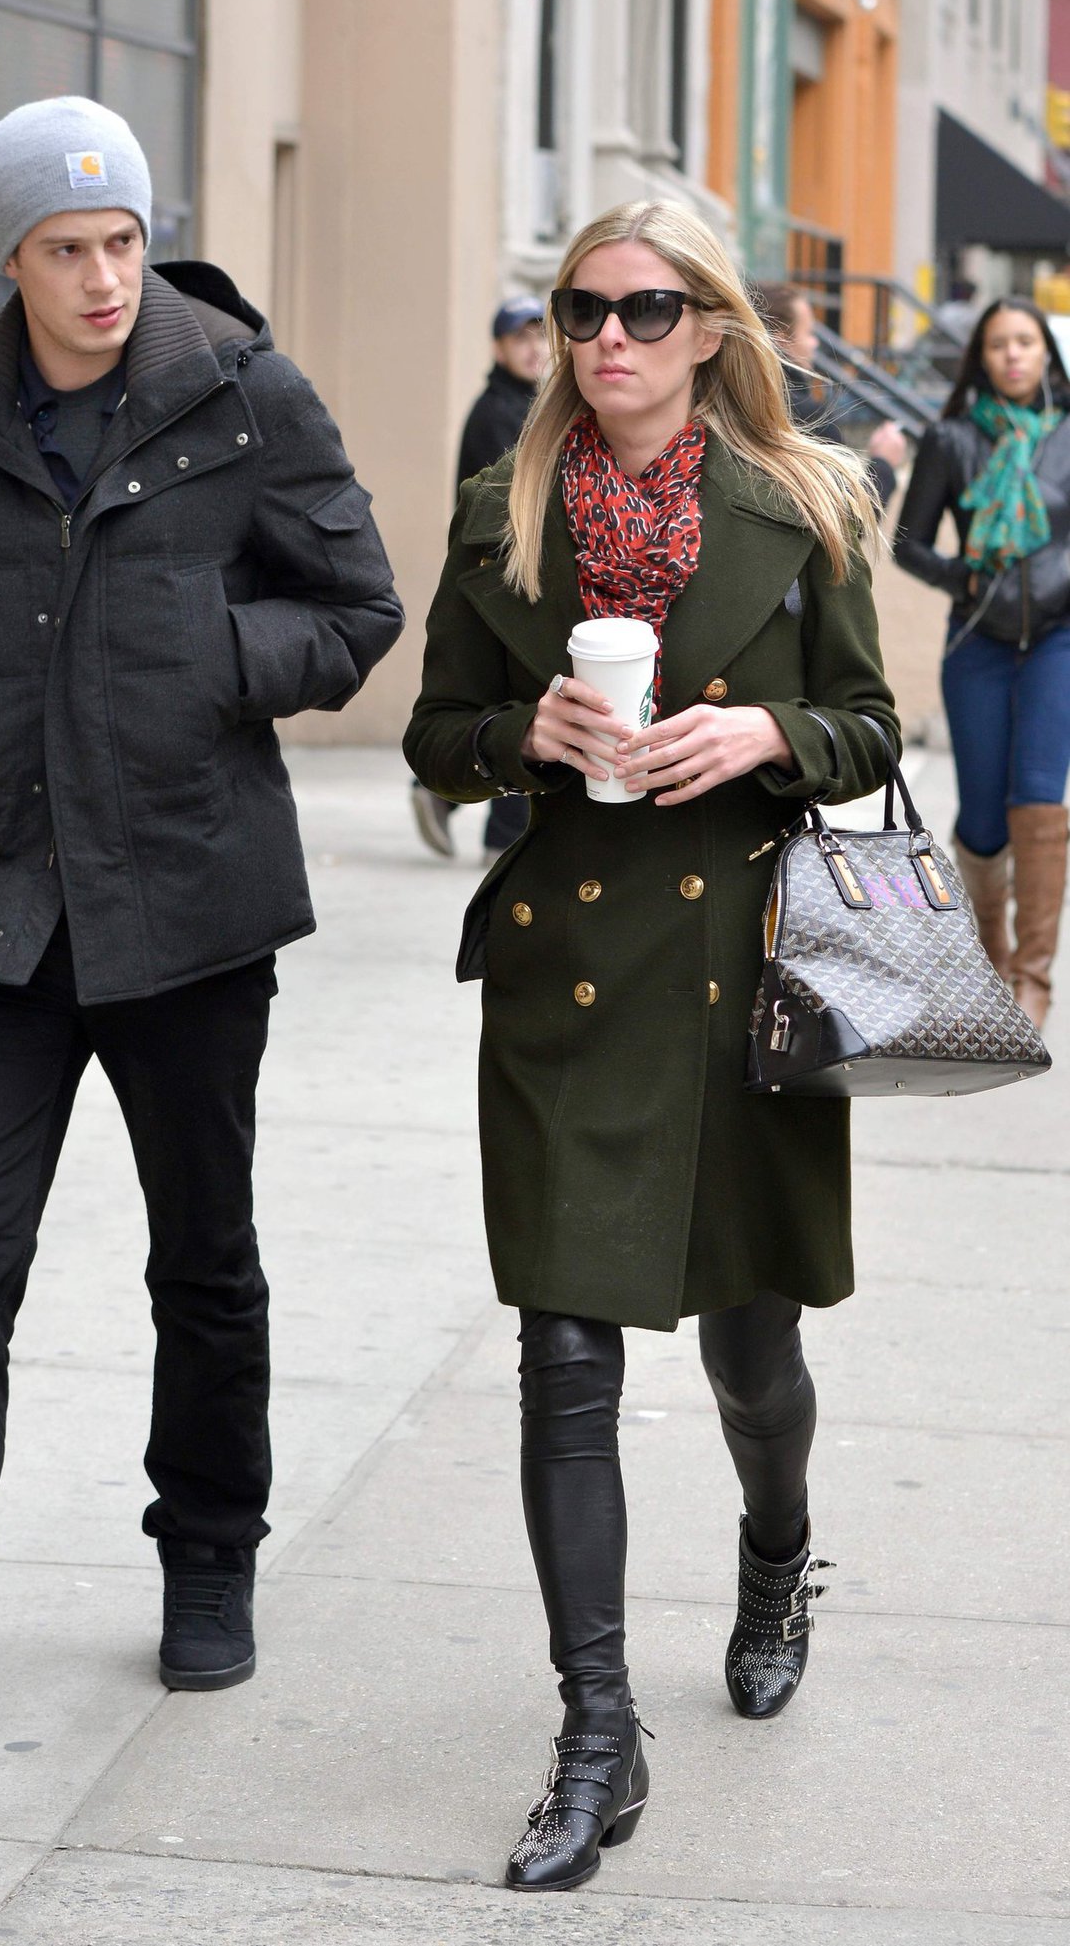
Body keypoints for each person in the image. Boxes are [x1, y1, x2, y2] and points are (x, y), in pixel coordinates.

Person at [0, 96, 402, 1766]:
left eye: (123, 240)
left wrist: (211, 656)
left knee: (201, 1255)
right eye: (67, 248)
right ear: (11, 257)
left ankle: (208, 1549)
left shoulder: (243, 392)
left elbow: (357, 605)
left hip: (189, 903)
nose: (104, 276)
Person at [405, 199, 897, 1893]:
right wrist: (519, 733)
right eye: (580, 310)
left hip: (743, 982)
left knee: (753, 1356)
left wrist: (767, 731)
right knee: (563, 1359)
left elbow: (870, 727)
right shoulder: (503, 506)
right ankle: (596, 1734)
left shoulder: (805, 504)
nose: (607, 338)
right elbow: (434, 730)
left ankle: (775, 1553)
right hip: (567, 981)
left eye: (644, 308)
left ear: (708, 328)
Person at [893, 297, 1070, 1028]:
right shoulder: (952, 439)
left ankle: (1033, 978)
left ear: (1046, 353)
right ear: (982, 359)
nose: (1013, 355)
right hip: (977, 642)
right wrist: (961, 579)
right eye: (999, 344)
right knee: (984, 818)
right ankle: (991, 963)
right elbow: (907, 541)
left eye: (1026, 341)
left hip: (1057, 640)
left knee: (1039, 797)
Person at [412, 297, 548, 866]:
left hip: (515, 575)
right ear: (498, 348)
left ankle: (444, 797)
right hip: (505, 579)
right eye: (521, 339)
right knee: (528, 702)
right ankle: (499, 833)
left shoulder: (530, 405)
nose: (534, 348)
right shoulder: (499, 413)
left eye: (540, 336)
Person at [754, 282, 907, 508]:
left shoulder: (726, 399)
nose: (815, 343)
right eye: (809, 333)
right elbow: (849, 515)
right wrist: (883, 463)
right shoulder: (810, 418)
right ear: (781, 340)